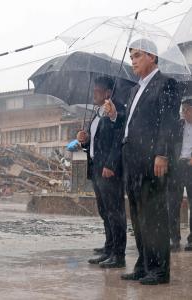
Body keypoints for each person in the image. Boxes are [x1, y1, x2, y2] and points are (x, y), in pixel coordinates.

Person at [104, 39, 181, 285]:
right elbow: (130, 125)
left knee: (153, 215)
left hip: (152, 159)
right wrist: (114, 114)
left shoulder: (166, 84)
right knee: (137, 215)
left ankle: (159, 270)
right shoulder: (134, 90)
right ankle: (144, 264)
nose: (133, 61)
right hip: (133, 160)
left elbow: (168, 122)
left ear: (152, 57)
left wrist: (162, 153)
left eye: (137, 56)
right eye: (132, 57)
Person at [77, 76, 126, 268]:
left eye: (97, 91)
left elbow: (119, 140)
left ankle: (118, 254)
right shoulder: (97, 114)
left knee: (116, 212)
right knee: (105, 211)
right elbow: (96, 142)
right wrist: (85, 140)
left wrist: (111, 164)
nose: (93, 94)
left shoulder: (118, 109)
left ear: (107, 92)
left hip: (109, 169)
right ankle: (109, 247)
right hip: (96, 168)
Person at [168, 96, 192, 252]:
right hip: (177, 167)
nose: (184, 113)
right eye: (183, 110)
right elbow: (169, 143)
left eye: (187, 110)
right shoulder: (178, 125)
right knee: (173, 203)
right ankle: (174, 239)